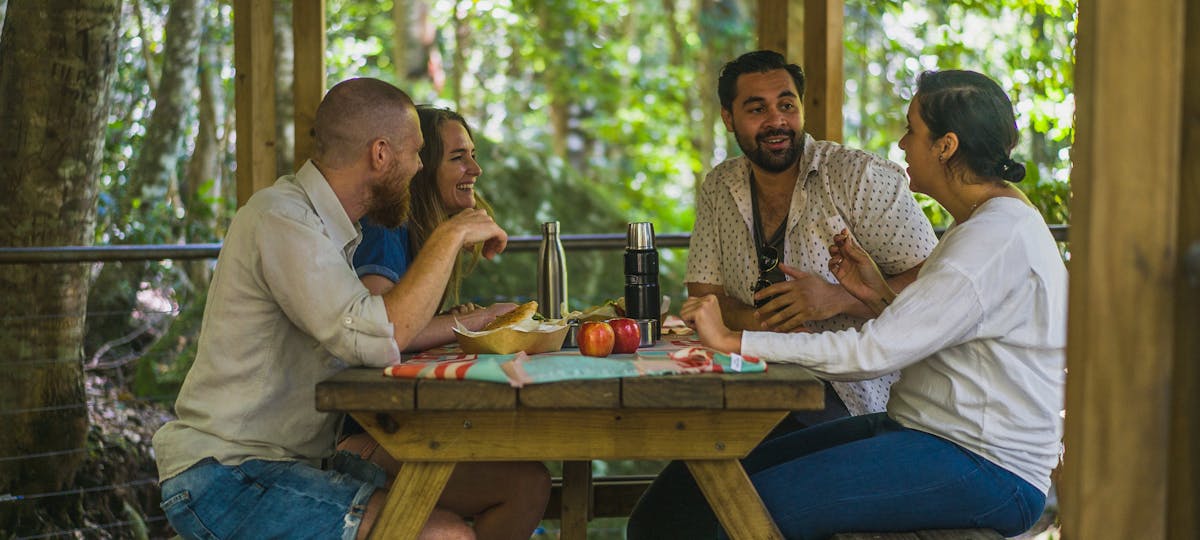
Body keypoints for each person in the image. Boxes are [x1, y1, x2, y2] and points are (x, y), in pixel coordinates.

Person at [630, 69, 1064, 539]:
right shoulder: (989, 223)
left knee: (741, 511)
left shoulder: (989, 240)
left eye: (911, 129)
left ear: (946, 145)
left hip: (987, 466)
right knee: (708, 495)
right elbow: (943, 324)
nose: (901, 144)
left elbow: (869, 353)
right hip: (926, 433)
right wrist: (876, 293)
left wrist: (733, 340)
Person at [152, 78, 550, 540]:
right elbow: (378, 335)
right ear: (380, 154)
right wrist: (451, 235)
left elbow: (371, 328)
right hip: (227, 474)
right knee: (446, 536)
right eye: (417, 153)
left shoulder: (334, 230)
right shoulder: (282, 218)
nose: (421, 167)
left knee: (522, 483)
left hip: (300, 462)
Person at [684, 50, 938, 426]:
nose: (776, 121)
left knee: (738, 471)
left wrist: (835, 299)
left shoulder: (860, 177)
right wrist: (762, 323)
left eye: (786, 105)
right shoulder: (720, 185)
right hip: (745, 379)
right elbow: (704, 300)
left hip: (851, 396)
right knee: (688, 461)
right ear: (728, 118)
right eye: (757, 110)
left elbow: (933, 288)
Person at [352, 105, 508, 352]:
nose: (476, 170)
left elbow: (409, 323)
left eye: (473, 155)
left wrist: (448, 320)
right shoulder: (384, 227)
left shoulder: (427, 227)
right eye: (458, 158)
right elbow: (382, 331)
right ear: (420, 167)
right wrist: (481, 320)